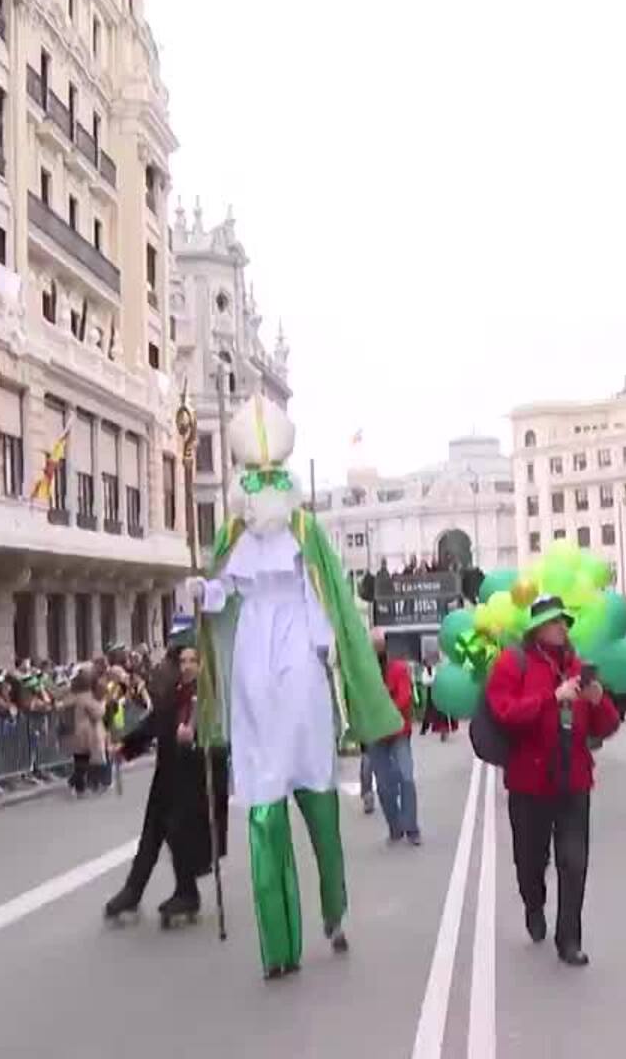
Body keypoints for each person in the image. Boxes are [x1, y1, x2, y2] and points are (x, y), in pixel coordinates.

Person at [189, 396, 404, 980]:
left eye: (273, 476)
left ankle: (334, 911)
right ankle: (278, 947)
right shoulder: (234, 534)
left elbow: (330, 600)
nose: (264, 487)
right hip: (254, 670)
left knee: (319, 806)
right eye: (255, 478)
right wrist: (200, 592)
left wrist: (326, 653)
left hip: (300, 674)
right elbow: (222, 594)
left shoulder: (306, 531)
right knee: (264, 815)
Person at [484, 596, 622, 967]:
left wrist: (597, 700)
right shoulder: (514, 664)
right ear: (537, 629)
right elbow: (505, 713)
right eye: (555, 622)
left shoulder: (577, 666)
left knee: (574, 861)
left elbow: (608, 726)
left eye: (565, 622)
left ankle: (569, 939)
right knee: (530, 861)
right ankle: (534, 902)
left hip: (574, 780)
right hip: (530, 783)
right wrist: (551, 697)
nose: (563, 628)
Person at [105, 642, 229, 926]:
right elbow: (154, 725)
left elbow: (223, 741)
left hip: (195, 780)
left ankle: (187, 892)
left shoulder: (211, 698)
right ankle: (132, 891)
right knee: (151, 834)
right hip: (168, 775)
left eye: (193, 660)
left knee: (178, 835)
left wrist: (196, 739)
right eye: (183, 660)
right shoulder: (173, 695)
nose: (187, 666)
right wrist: (125, 747)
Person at [370, 628, 422, 846]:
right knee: (383, 785)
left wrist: (383, 710)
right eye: (374, 647)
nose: (378, 651)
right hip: (375, 733)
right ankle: (395, 827)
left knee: (406, 776)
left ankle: (411, 827)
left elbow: (404, 698)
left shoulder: (399, 668)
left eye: (381, 646)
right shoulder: (367, 673)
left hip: (399, 731)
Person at [64, 668, 109, 797]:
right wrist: (103, 704)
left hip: (78, 730)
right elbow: (97, 713)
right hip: (89, 732)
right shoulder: (88, 696)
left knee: (80, 760)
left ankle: (79, 785)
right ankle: (86, 785)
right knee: (90, 760)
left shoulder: (75, 695)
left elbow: (63, 704)